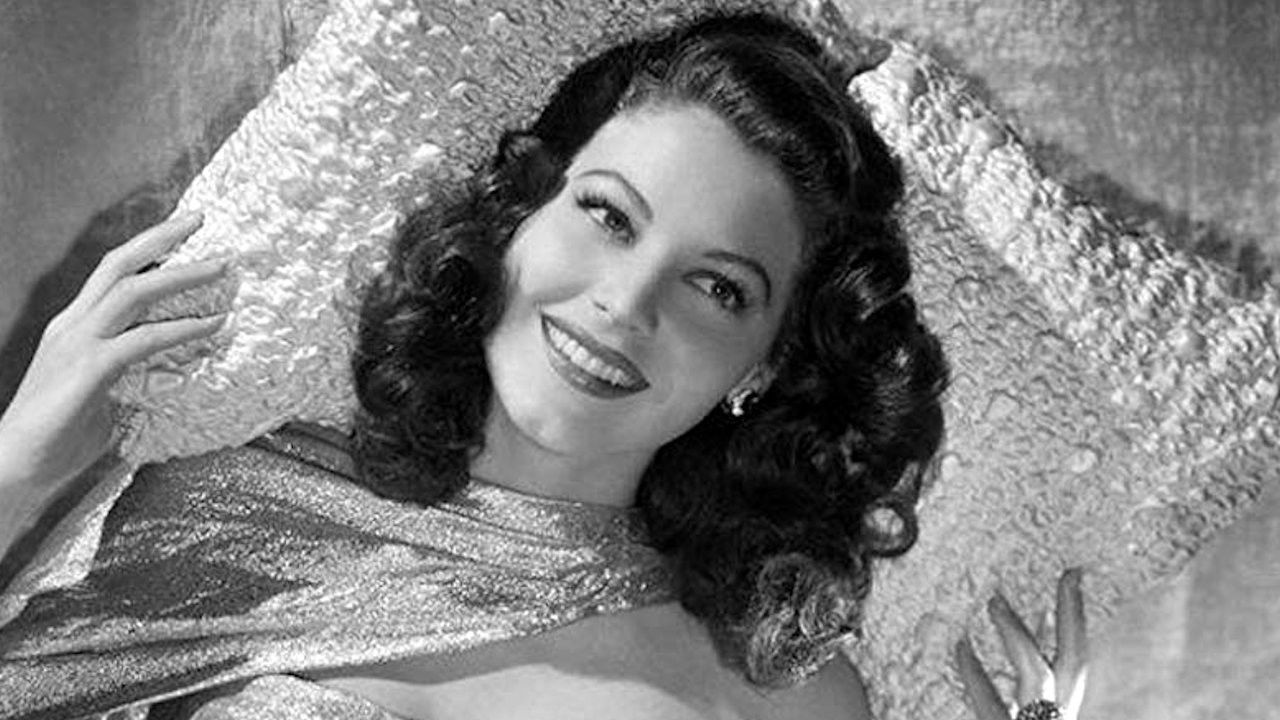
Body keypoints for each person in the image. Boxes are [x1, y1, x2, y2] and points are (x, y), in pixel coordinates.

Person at [0, 9, 1081, 720]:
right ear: (518, 214)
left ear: (765, 365)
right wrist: (16, 467)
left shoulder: (785, 692)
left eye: (718, 288)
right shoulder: (227, 510)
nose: (624, 303)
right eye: (608, 216)